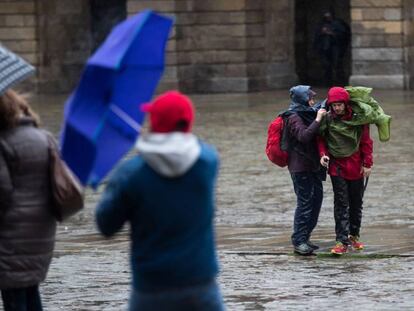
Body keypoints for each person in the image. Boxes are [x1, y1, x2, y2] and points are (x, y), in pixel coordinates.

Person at [95, 90, 225, 311]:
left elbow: (106, 225)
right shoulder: (207, 161)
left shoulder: (130, 174)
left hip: (151, 287)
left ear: (154, 124)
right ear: (188, 123)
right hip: (200, 283)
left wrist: (116, 180)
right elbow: (192, 143)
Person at [0, 89, 56, 311]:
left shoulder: (3, 142)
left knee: (14, 298)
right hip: (42, 232)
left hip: (10, 236)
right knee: (30, 291)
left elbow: (2, 192)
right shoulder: (43, 137)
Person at [318, 87, 373, 255]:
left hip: (356, 166)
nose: (337, 108)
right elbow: (321, 139)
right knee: (341, 203)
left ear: (345, 104)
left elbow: (366, 142)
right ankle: (341, 240)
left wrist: (367, 163)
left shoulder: (358, 120)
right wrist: (323, 155)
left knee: (356, 202)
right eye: (334, 105)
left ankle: (354, 236)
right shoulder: (327, 119)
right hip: (337, 167)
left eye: (340, 105)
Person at [284, 85, 327, 255]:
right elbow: (304, 136)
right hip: (300, 168)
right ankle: (299, 240)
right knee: (305, 203)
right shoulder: (293, 117)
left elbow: (323, 105)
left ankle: (306, 236)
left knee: (316, 201)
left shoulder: (307, 112)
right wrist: (318, 119)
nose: (313, 101)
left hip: (314, 165)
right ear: (302, 99)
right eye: (310, 98)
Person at [314, 11, 351, 86]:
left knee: (337, 65)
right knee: (326, 66)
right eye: (326, 17)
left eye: (329, 17)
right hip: (325, 48)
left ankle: (339, 81)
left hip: (335, 48)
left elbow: (343, 35)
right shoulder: (322, 25)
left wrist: (331, 33)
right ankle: (327, 82)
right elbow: (317, 36)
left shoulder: (337, 24)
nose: (327, 18)